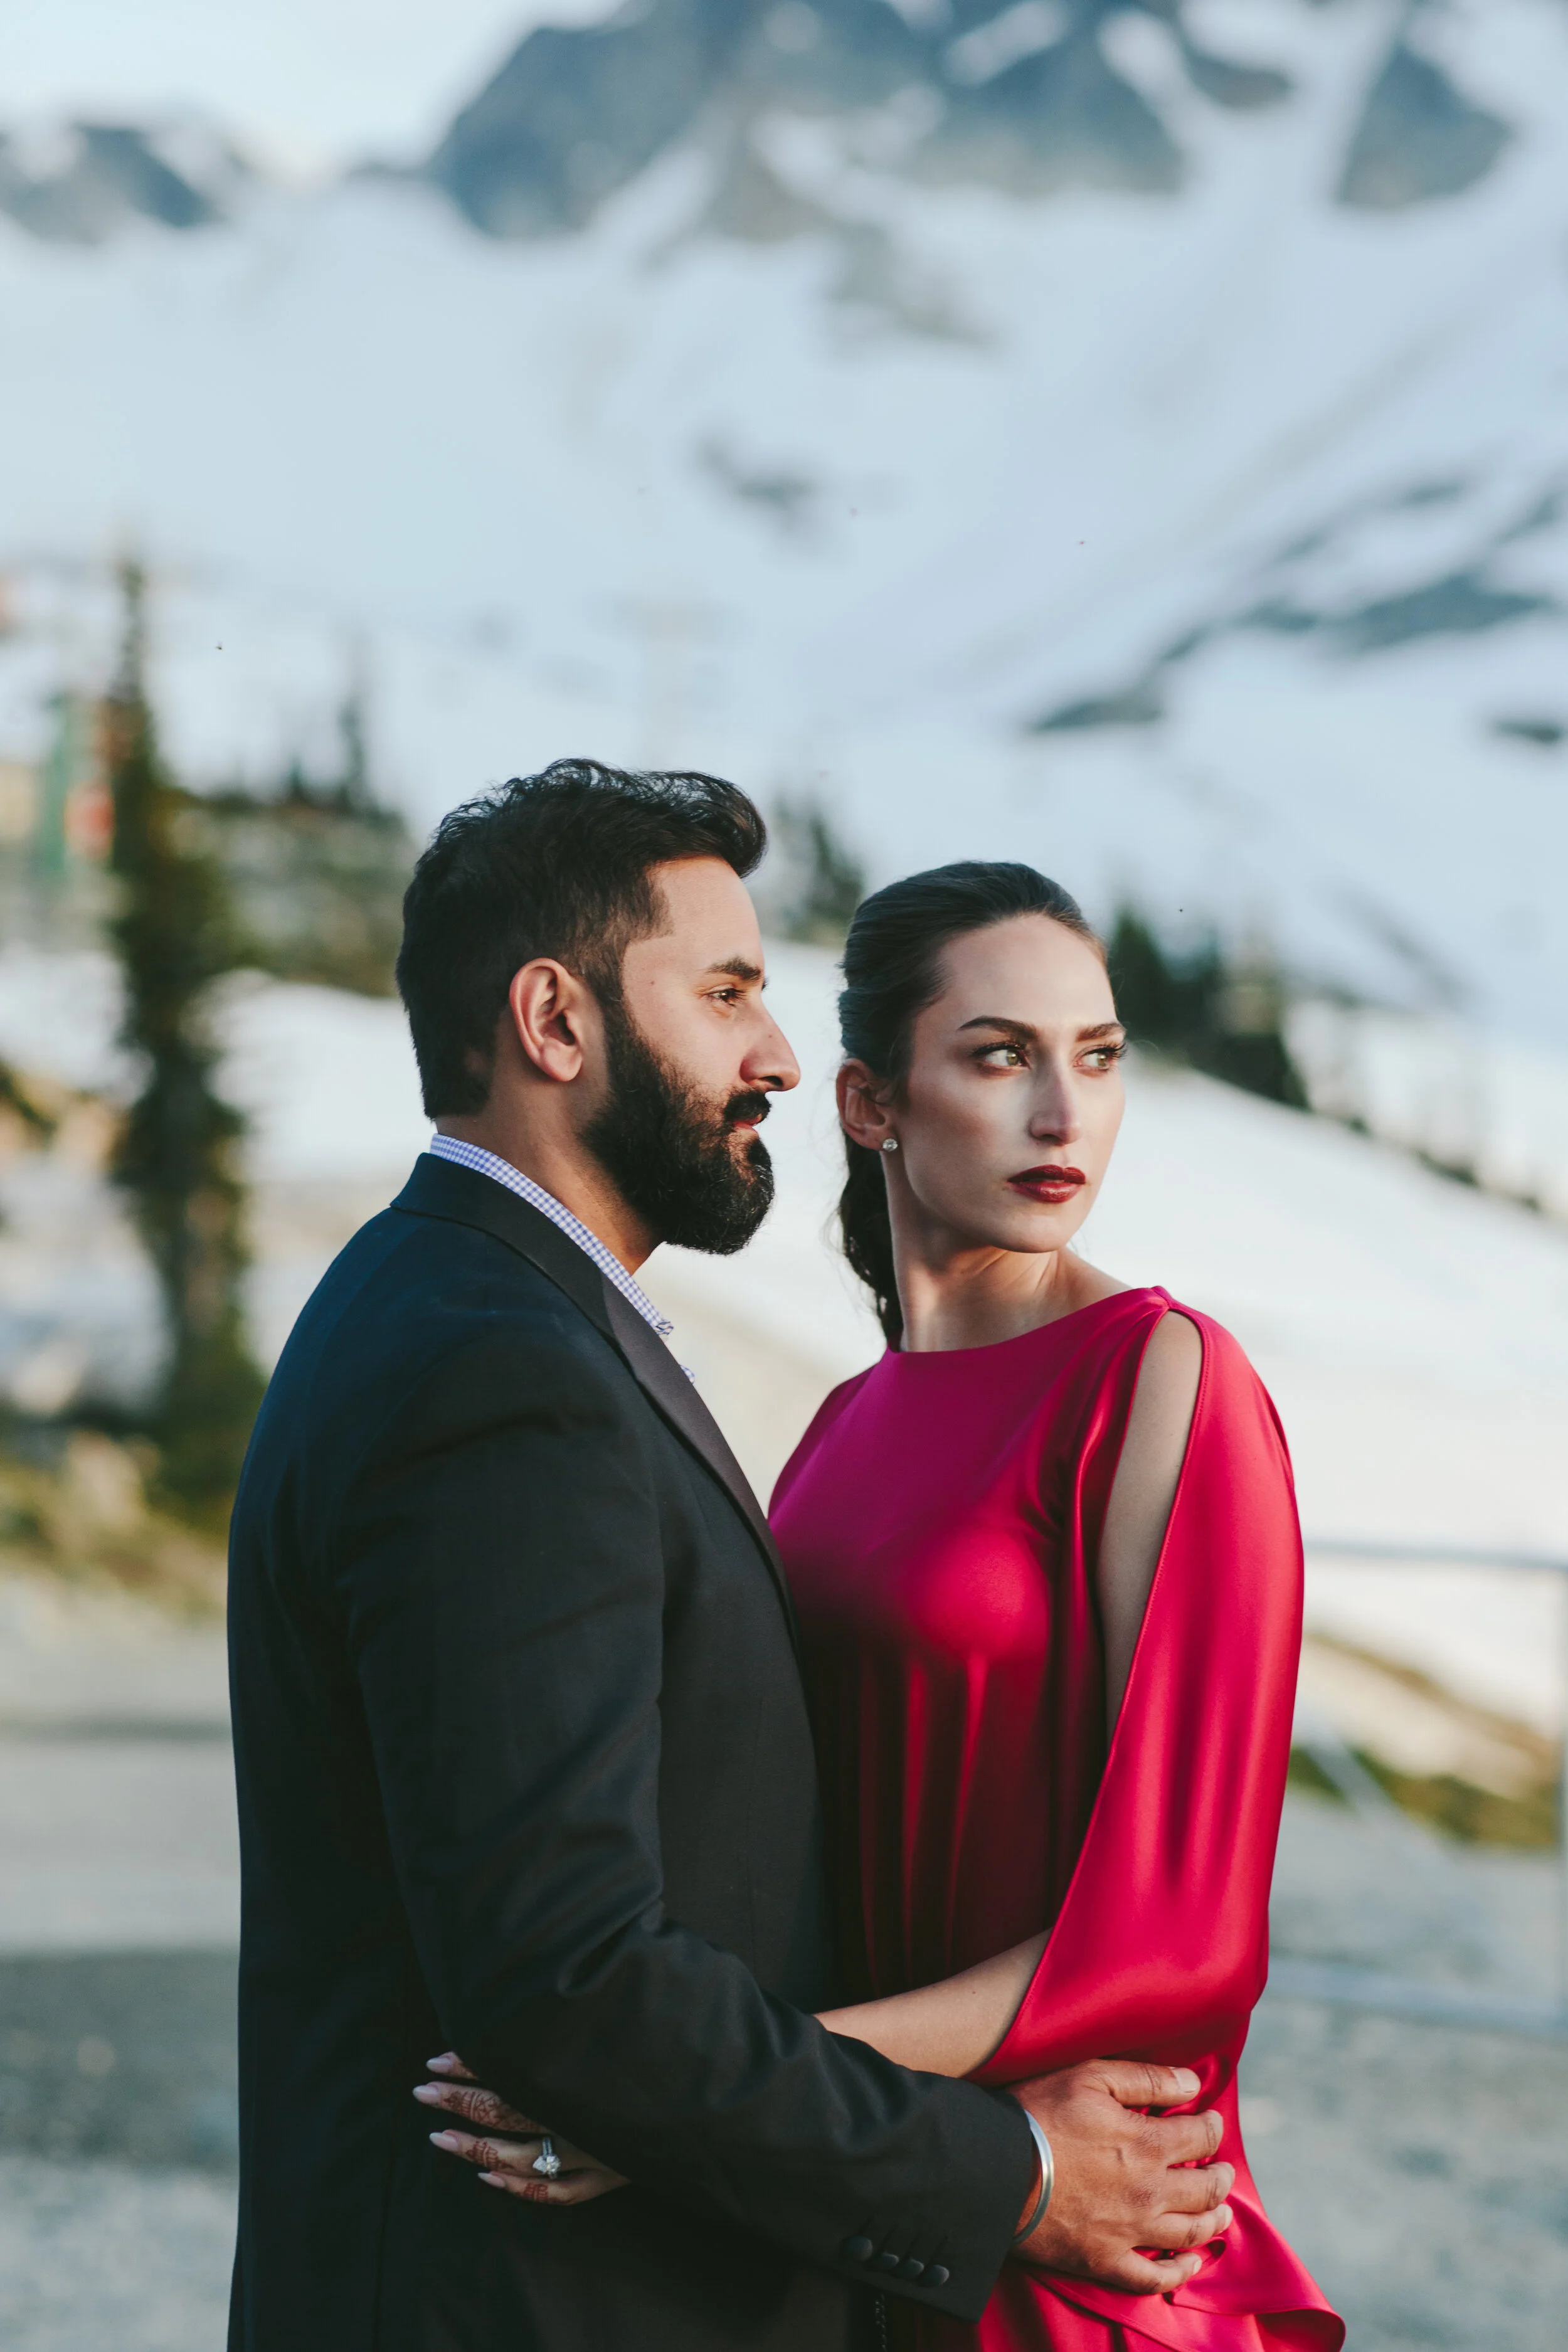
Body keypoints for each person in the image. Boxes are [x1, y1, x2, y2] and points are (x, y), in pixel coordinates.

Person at [226, 766, 1236, 2352]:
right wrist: (1019, 2173)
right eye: (722, 994)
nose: (773, 1055)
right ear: (556, 1026)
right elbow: (569, 1980)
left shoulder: (453, 1312)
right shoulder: (504, 1371)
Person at [445, 856, 1343, 2351]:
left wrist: (690, 2093)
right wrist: (726, 2097)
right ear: (869, 1102)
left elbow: (1170, 1940)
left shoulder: (1162, 1380)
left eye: (1097, 1061)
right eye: (1000, 1057)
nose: (1063, 1117)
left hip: (1077, 2229)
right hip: (867, 2215)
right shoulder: (839, 1429)